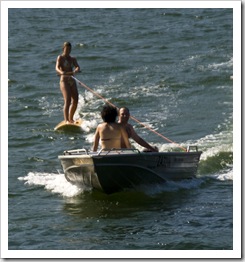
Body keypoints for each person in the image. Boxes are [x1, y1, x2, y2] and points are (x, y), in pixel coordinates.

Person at [55, 42, 80, 124]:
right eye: (66, 49)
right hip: (64, 80)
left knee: (76, 99)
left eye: (69, 49)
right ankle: (66, 120)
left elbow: (77, 66)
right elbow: (57, 68)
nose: (68, 51)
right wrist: (61, 72)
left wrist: (76, 69)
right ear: (63, 49)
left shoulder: (73, 59)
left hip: (72, 80)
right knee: (68, 100)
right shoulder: (60, 58)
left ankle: (71, 118)